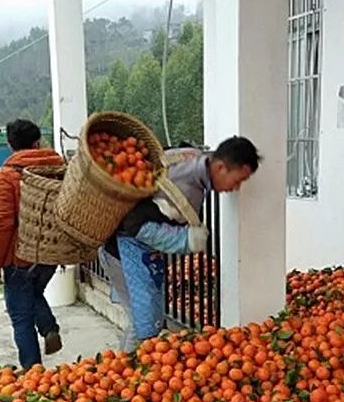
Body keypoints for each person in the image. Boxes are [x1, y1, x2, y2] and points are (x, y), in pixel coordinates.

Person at [101, 136, 261, 351]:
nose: (236, 188)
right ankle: (125, 375)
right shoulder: (184, 187)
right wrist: (185, 240)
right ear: (221, 167)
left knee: (147, 321)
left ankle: (128, 371)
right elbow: (134, 225)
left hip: (139, 252)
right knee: (145, 325)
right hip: (122, 250)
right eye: (238, 180)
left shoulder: (193, 160)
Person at [0, 118, 65, 369]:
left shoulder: (8, 176)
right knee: (33, 293)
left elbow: (3, 223)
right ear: (37, 142)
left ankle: (34, 373)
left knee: (20, 317)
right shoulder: (59, 170)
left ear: (11, 146)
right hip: (51, 253)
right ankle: (48, 326)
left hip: (19, 257)